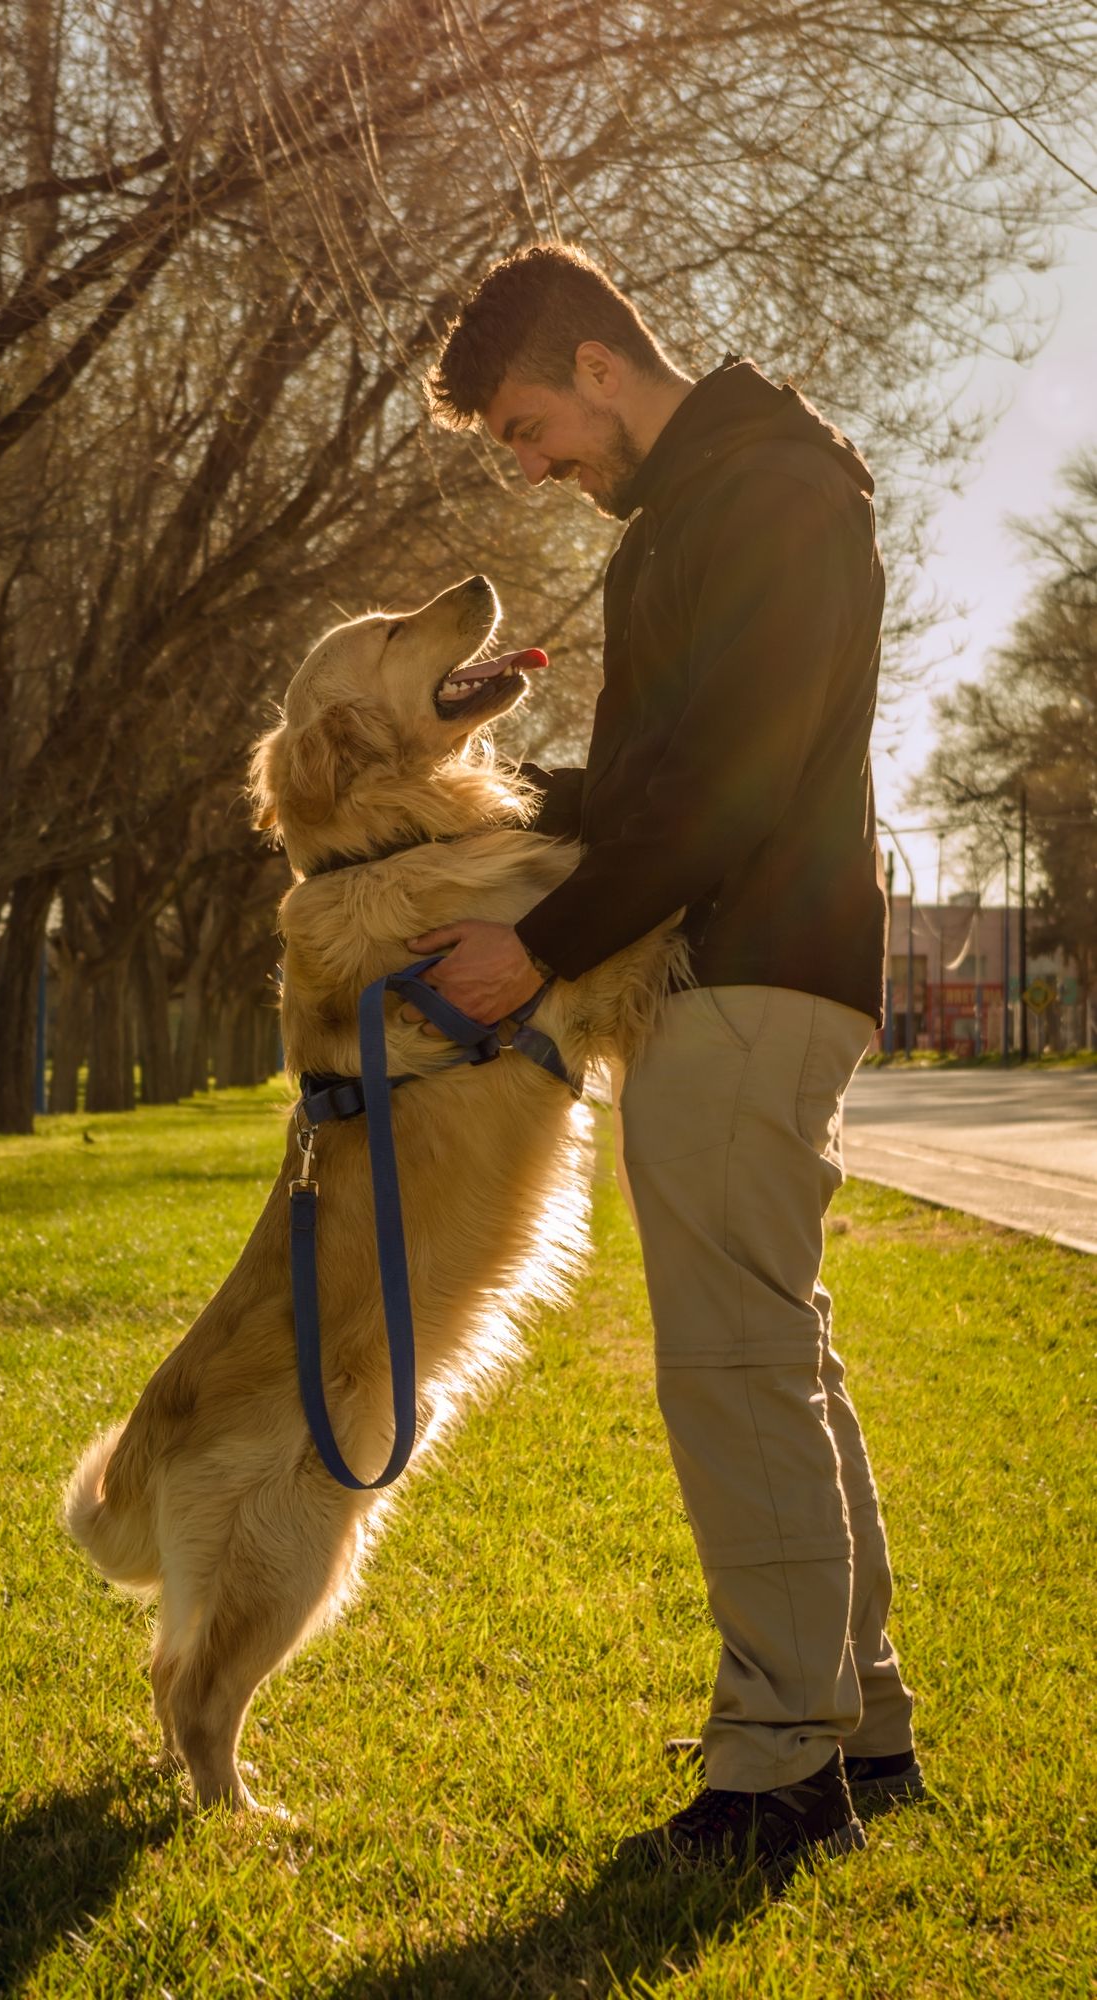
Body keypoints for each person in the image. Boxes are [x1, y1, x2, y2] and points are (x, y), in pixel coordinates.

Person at [415, 244, 920, 1871]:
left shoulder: (764, 497)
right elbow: (672, 770)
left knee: (729, 1367)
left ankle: (778, 1773)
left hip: (749, 967)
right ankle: (861, 1724)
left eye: (524, 427)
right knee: (778, 1349)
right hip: (742, 959)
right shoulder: (719, 502)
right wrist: (513, 799)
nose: (533, 463)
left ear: (596, 367)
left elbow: (735, 776)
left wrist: (540, 946)